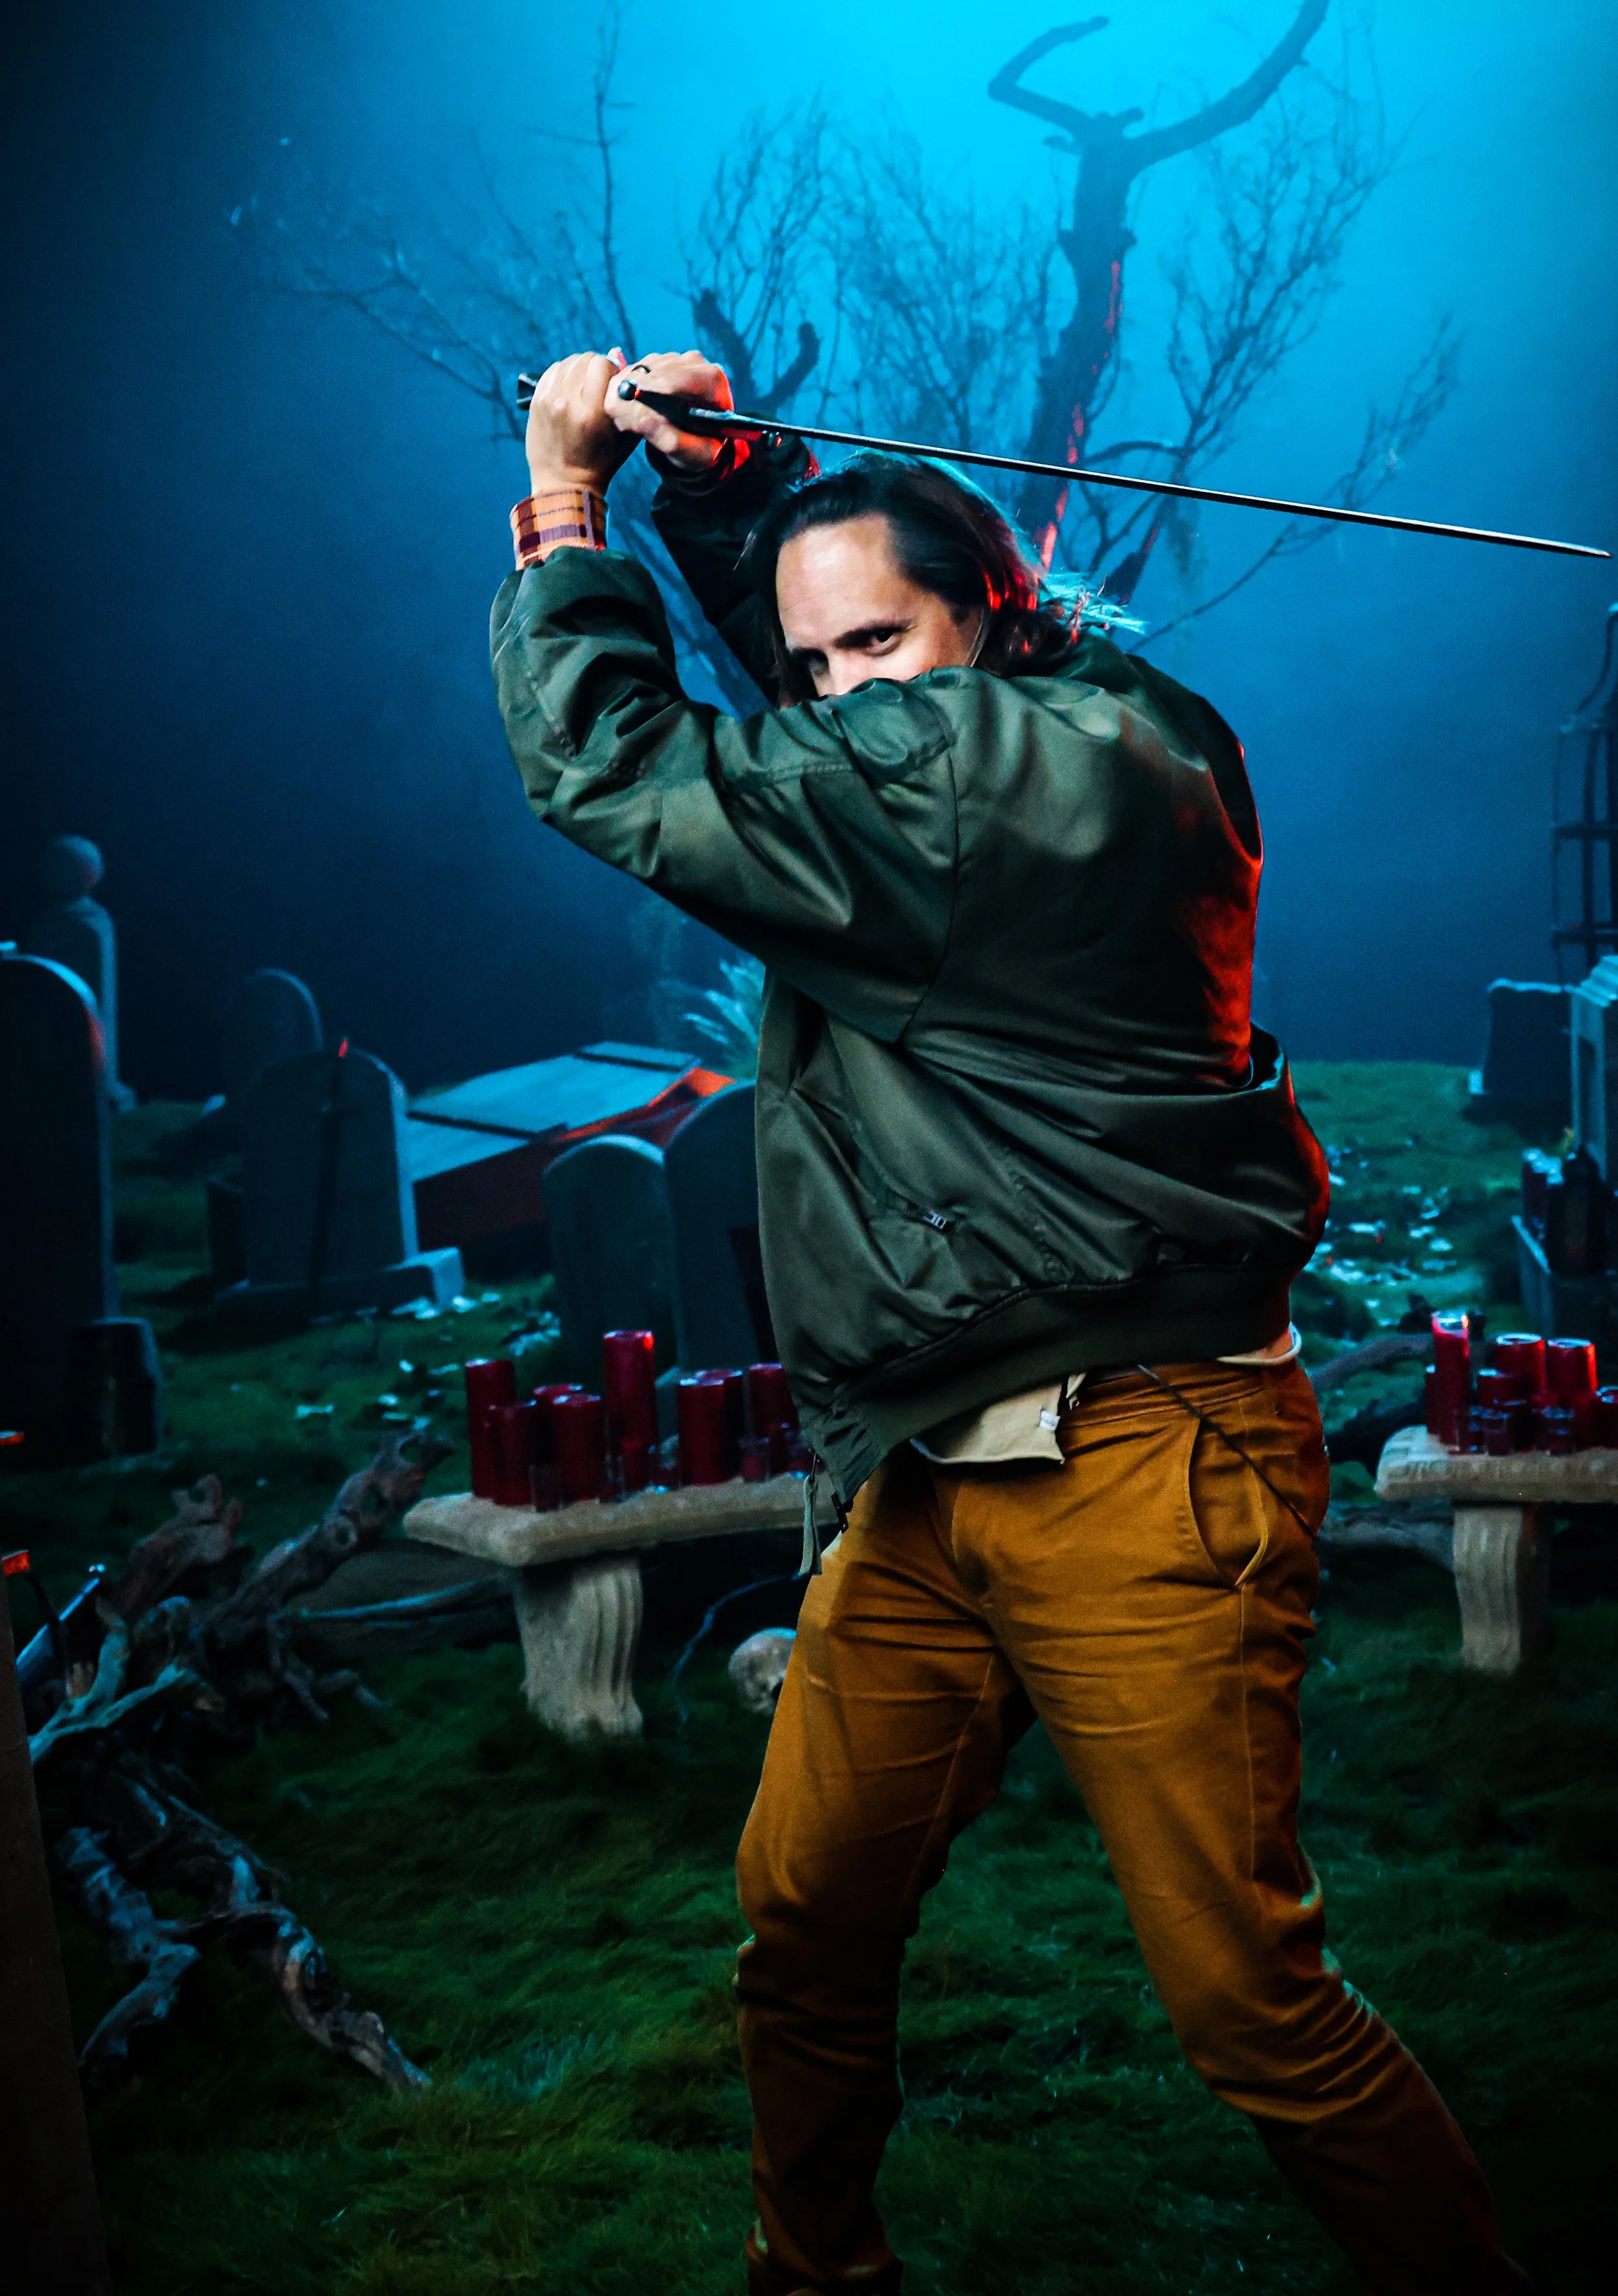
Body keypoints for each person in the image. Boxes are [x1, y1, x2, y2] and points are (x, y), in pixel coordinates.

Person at [492, 350, 1529, 2296]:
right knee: (803, 1913)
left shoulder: (997, 780)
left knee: (1246, 2002)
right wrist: (738, 499)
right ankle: (815, 2273)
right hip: (930, 1468)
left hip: (1142, 1456)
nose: (835, 697)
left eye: (878, 642)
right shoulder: (1069, 728)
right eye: (813, 668)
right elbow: (854, 688)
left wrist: (565, 514)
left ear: (997, 610)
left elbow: (621, 767)